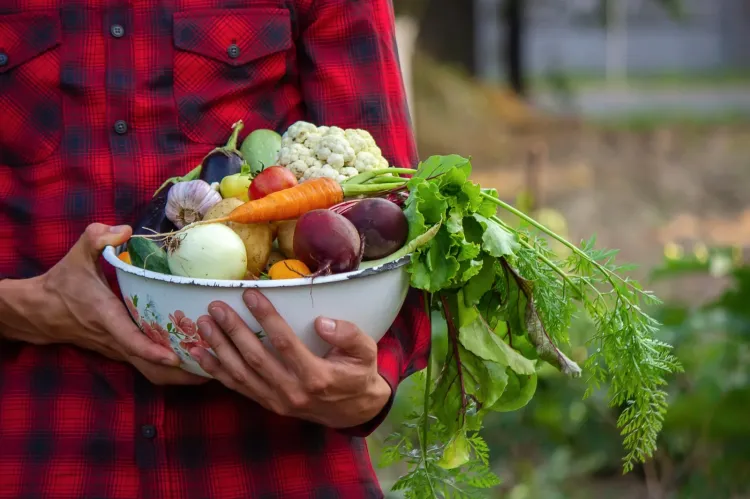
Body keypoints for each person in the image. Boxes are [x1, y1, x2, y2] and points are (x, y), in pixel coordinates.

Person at [0, 1, 431, 497]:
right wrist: (23, 308)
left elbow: (398, 217)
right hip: (42, 437)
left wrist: (365, 386)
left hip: (268, 454)